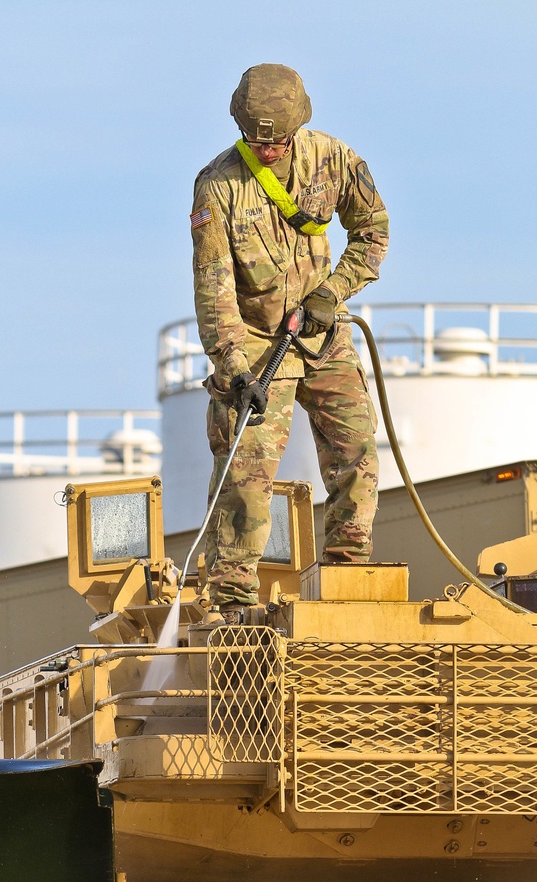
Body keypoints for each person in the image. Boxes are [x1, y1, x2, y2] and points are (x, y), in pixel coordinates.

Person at [190, 62, 389, 618]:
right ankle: (230, 607)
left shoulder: (335, 159)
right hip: (256, 346)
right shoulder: (217, 186)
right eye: (258, 140)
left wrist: (333, 292)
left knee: (357, 451)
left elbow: (373, 232)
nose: (269, 149)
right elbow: (214, 289)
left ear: (299, 125)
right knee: (246, 474)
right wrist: (234, 368)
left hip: (322, 334)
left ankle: (349, 576)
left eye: (278, 140)